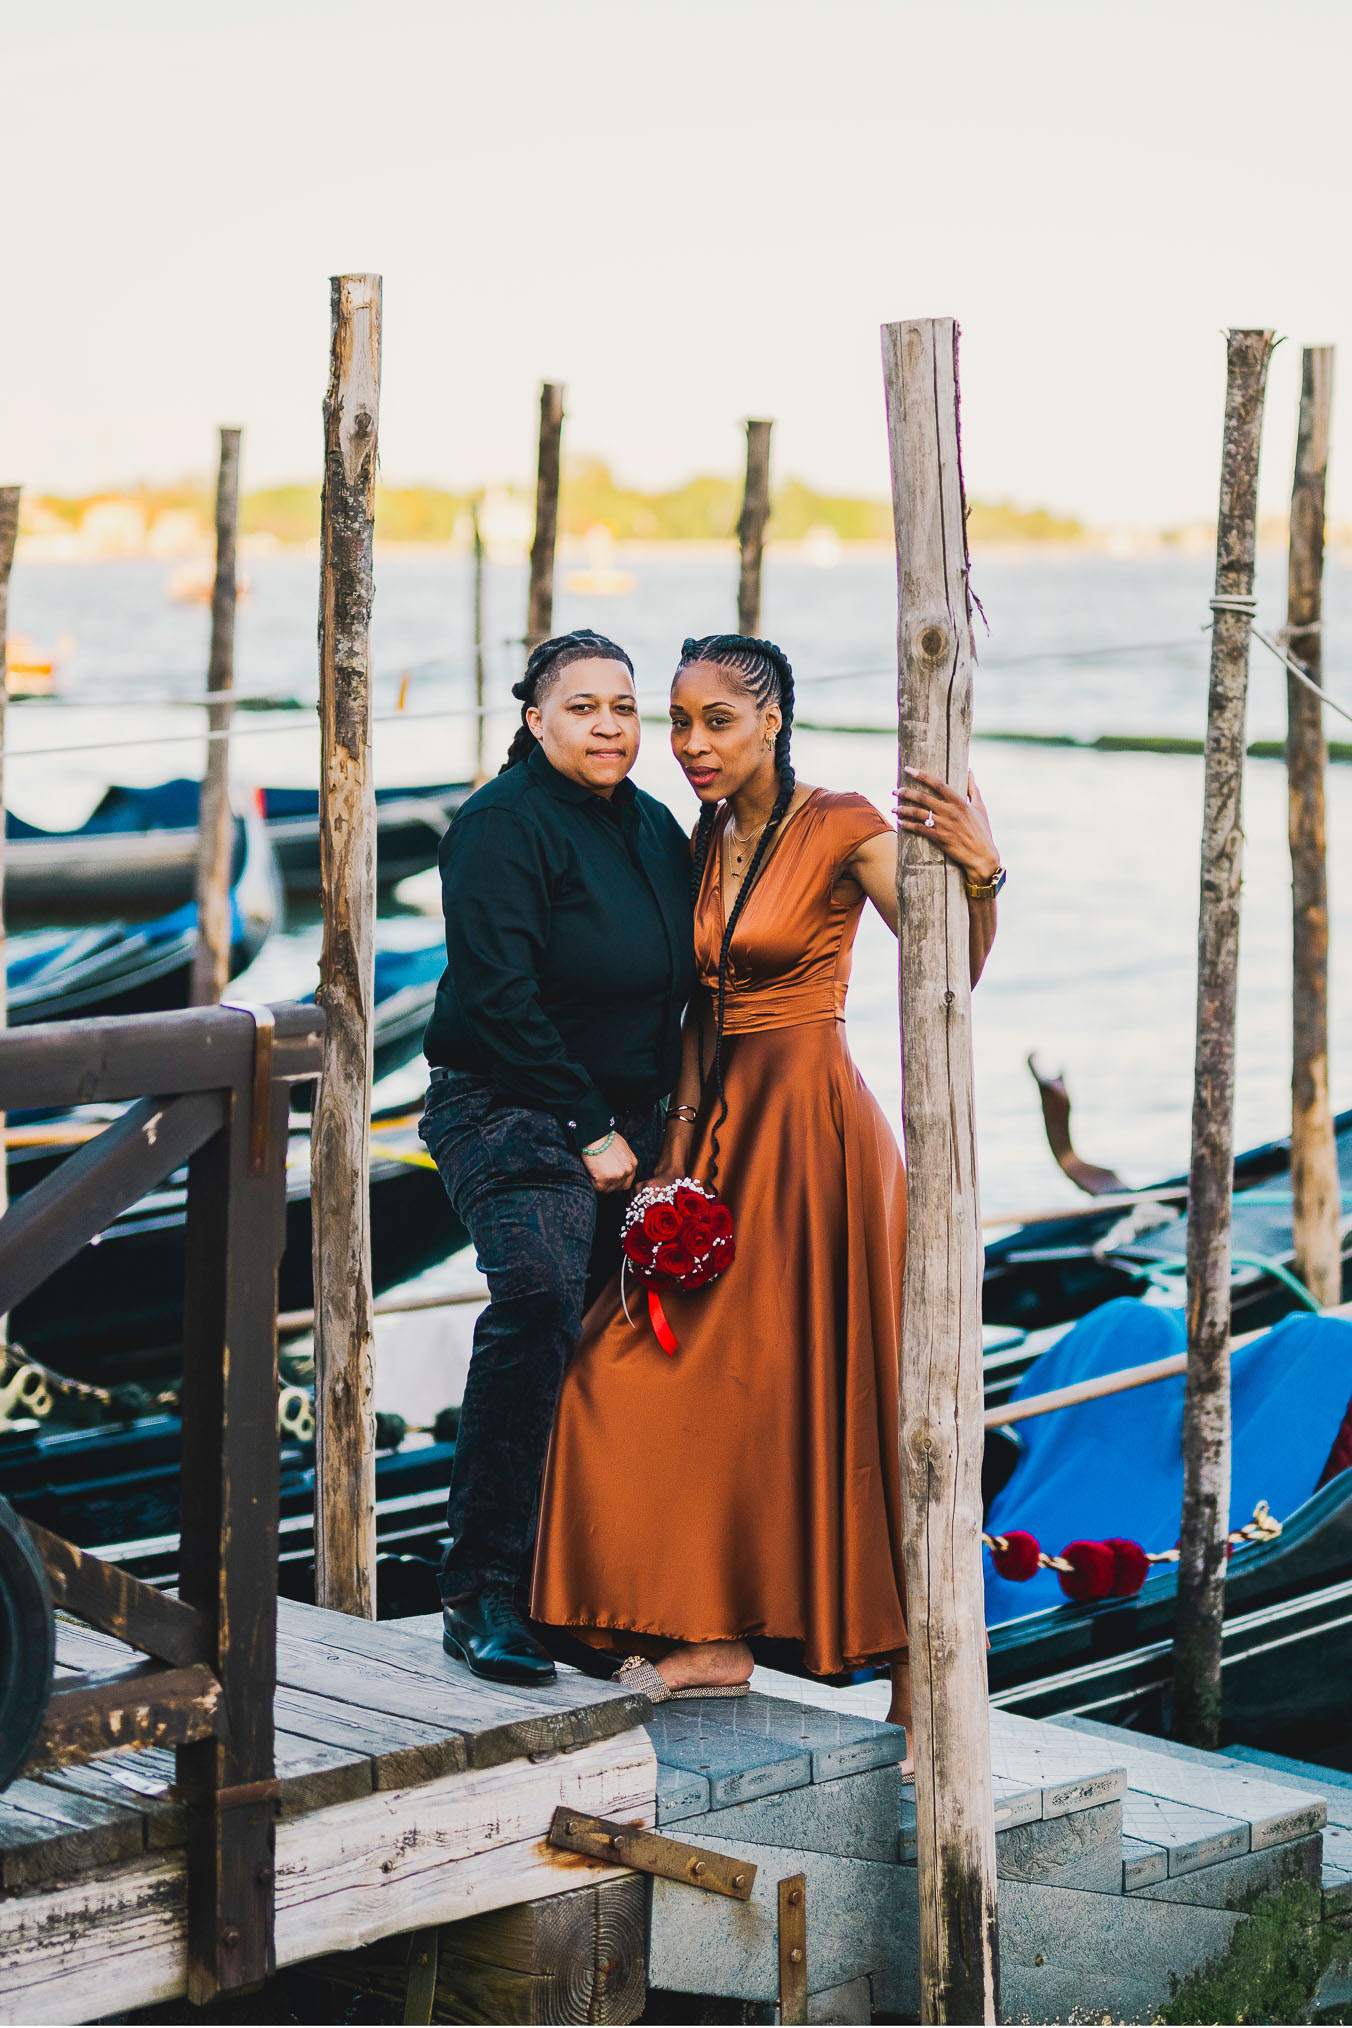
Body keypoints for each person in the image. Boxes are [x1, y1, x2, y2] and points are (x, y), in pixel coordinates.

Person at [532, 634, 1002, 1750]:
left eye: (716, 722)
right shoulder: (699, 836)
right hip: (721, 1140)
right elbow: (696, 1012)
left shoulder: (838, 822)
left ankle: (907, 1661)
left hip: (819, 1140)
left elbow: (947, 971)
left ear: (772, 720)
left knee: (841, 1388)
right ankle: (708, 1636)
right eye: (680, 722)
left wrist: (980, 873)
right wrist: (673, 1160)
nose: (690, 744)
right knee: (632, 1365)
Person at [420, 628, 695, 1684]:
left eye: (623, 707)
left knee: (623, 1336)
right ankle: (478, 1591)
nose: (609, 725)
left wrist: (665, 1125)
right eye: (582, 706)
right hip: (505, 1105)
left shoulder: (656, 827)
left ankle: (586, 1584)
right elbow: (498, 998)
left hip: (625, 1122)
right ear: (535, 720)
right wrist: (589, 1130)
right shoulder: (497, 829)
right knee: (536, 1300)